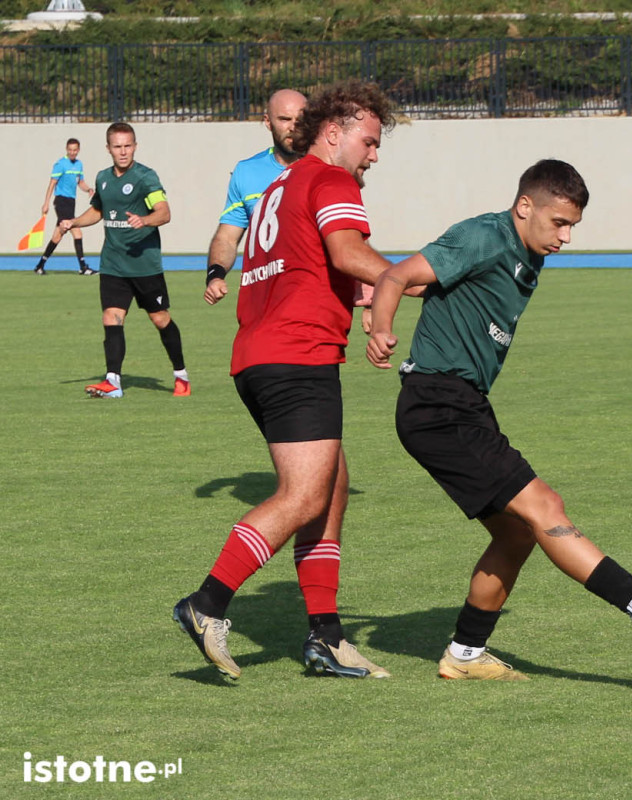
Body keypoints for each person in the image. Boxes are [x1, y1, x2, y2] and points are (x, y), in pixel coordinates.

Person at [366, 159, 632, 681]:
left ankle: (465, 654)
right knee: (543, 506)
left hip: (462, 404)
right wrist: (380, 328)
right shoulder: (482, 236)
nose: (567, 237)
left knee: (516, 535)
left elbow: (435, 285)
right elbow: (396, 274)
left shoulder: (523, 251)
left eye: (573, 225)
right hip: (438, 404)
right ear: (524, 207)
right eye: (559, 222)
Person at [173, 80, 399, 681]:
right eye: (370, 142)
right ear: (336, 130)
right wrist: (413, 277)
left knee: (331, 487)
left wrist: (373, 303)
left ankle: (325, 637)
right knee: (302, 497)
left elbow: (316, 266)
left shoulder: (279, 184)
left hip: (260, 353)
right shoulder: (331, 179)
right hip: (298, 355)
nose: (373, 155)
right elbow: (349, 253)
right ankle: (208, 603)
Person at [61, 123, 189, 399]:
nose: (123, 151)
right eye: (117, 146)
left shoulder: (146, 178)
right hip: (113, 264)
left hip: (144, 265)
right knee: (112, 317)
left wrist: (145, 220)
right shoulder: (103, 178)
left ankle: (181, 374)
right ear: (108, 148)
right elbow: (97, 211)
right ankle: (113, 382)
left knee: (160, 319)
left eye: (127, 145)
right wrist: (73, 222)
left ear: (135, 146)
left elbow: (164, 213)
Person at [203, 89, 307, 306]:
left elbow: (346, 239)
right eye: (285, 119)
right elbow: (227, 238)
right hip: (262, 302)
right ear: (268, 122)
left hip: (311, 301)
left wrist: (369, 299)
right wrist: (215, 275)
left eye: (300, 119)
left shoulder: (327, 170)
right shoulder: (246, 172)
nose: (293, 127)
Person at [34, 137, 95, 275]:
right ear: (66, 150)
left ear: (78, 150)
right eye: (70, 150)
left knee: (58, 235)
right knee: (77, 231)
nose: (72, 152)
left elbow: (80, 182)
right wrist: (46, 203)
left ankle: (40, 265)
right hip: (61, 201)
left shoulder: (79, 164)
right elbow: (52, 184)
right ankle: (83, 267)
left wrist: (89, 189)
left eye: (75, 150)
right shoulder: (60, 164)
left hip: (71, 202)